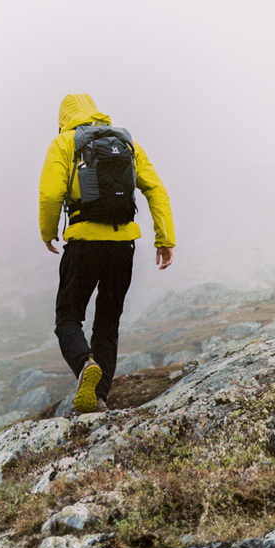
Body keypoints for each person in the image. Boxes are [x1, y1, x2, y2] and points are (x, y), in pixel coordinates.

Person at [38, 94, 175, 414]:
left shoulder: (64, 143)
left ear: (65, 117)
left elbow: (51, 193)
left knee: (68, 318)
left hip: (84, 244)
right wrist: (164, 238)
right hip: (122, 246)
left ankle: (85, 366)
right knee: (108, 321)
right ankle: (98, 397)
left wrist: (48, 233)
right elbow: (156, 189)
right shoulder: (127, 143)